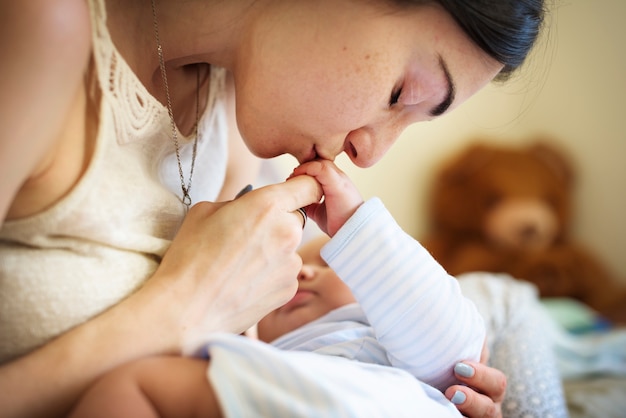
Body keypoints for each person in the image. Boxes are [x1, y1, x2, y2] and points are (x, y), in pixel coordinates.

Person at [0, 0, 546, 416]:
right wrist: (184, 306)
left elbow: (306, 284)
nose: (371, 154)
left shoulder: (236, 121)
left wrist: (443, 364)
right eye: (402, 94)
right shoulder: (39, 32)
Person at [69, 159, 488, 417]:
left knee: (138, 384)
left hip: (369, 403)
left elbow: (454, 354)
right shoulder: (259, 364)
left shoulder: (395, 349)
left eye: (329, 260)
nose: (302, 272)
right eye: (288, 271)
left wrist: (355, 232)